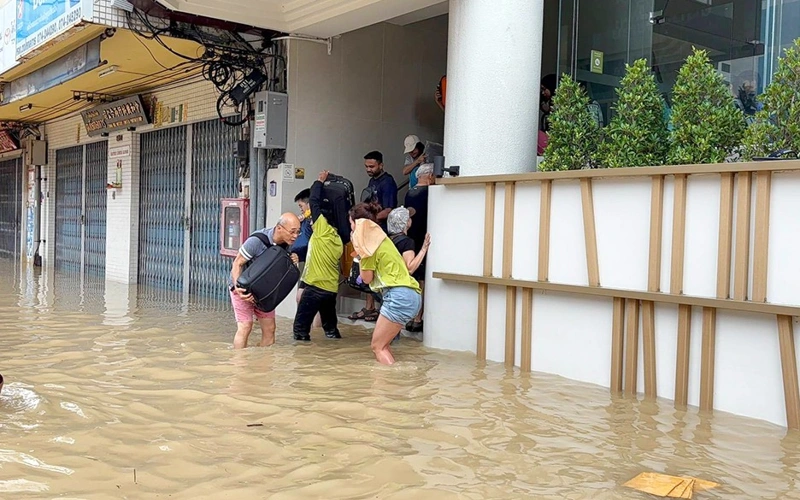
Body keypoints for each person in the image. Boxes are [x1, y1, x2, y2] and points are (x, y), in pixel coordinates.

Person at [349, 203, 427, 365]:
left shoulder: (368, 245)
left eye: (351, 223)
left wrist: (360, 255)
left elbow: (366, 279)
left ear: (358, 224)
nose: (350, 228)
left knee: (378, 347)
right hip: (409, 295)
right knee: (384, 345)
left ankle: (390, 385)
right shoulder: (381, 239)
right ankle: (393, 381)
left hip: (398, 296)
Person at [229, 213, 301, 349]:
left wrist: (293, 260)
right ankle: (238, 365)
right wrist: (238, 288)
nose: (295, 236)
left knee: (270, 329)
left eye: (298, 232)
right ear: (279, 228)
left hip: (265, 292)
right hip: (243, 290)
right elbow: (237, 263)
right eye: (292, 232)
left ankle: (262, 364)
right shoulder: (257, 241)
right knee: (245, 326)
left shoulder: (287, 245)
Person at [293, 170, 344, 342]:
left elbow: (313, 202)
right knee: (330, 329)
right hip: (330, 290)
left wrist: (319, 181)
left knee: (300, 330)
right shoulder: (337, 239)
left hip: (315, 288)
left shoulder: (322, 230)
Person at [349, 151, 398, 322]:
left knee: (374, 269)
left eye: (372, 166)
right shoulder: (372, 181)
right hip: (370, 230)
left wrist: (371, 220)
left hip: (381, 232)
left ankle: (379, 308)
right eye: (366, 166)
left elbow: (389, 208)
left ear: (381, 165)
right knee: (366, 265)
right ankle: (369, 307)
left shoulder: (388, 182)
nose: (368, 169)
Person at [387, 206, 431, 336]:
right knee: (393, 334)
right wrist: (423, 249)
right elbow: (410, 268)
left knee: (390, 332)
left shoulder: (389, 241)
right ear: (406, 223)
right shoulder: (407, 242)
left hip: (388, 287)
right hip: (400, 289)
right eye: (409, 218)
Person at [404, 163, 433, 332]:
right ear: (430, 176)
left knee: (413, 278)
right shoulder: (430, 193)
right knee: (422, 281)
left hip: (411, 240)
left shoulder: (410, 192)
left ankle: (412, 316)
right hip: (424, 240)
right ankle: (418, 318)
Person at [291, 188, 322, 330]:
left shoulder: (317, 222)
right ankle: (307, 332)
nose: (301, 210)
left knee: (311, 301)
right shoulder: (304, 221)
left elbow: (313, 244)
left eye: (301, 206)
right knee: (300, 297)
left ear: (309, 205)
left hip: (317, 266)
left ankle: (316, 334)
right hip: (307, 264)